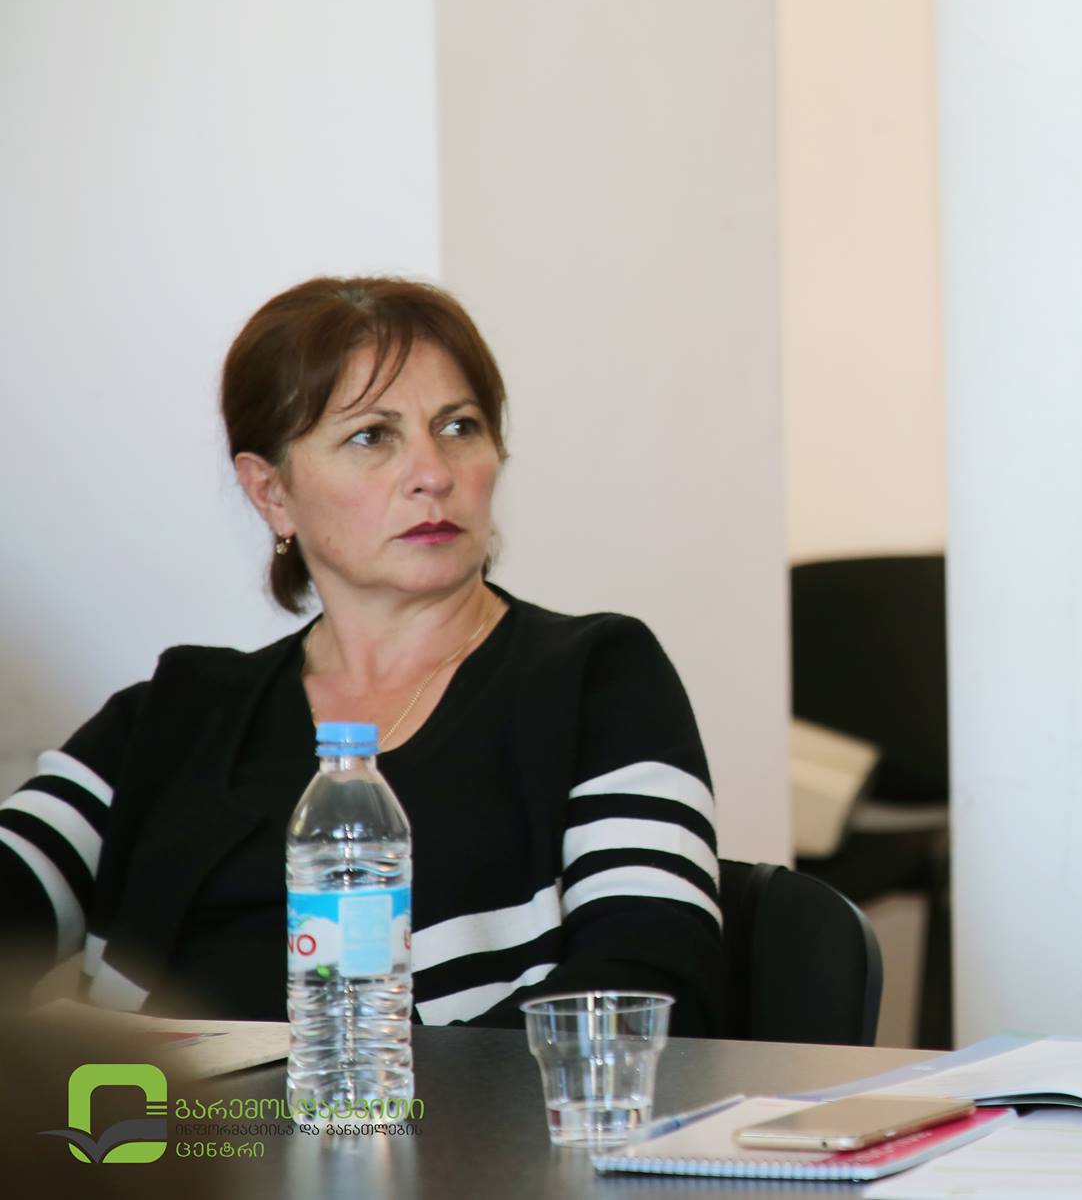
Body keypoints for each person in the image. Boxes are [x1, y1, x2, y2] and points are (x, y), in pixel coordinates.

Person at [0, 276, 722, 1031]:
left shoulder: (595, 679)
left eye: (459, 426)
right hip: (152, 1110)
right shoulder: (174, 715)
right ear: (271, 492)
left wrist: (373, 1086)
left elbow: (651, 982)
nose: (434, 474)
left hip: (445, 1109)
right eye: (373, 436)